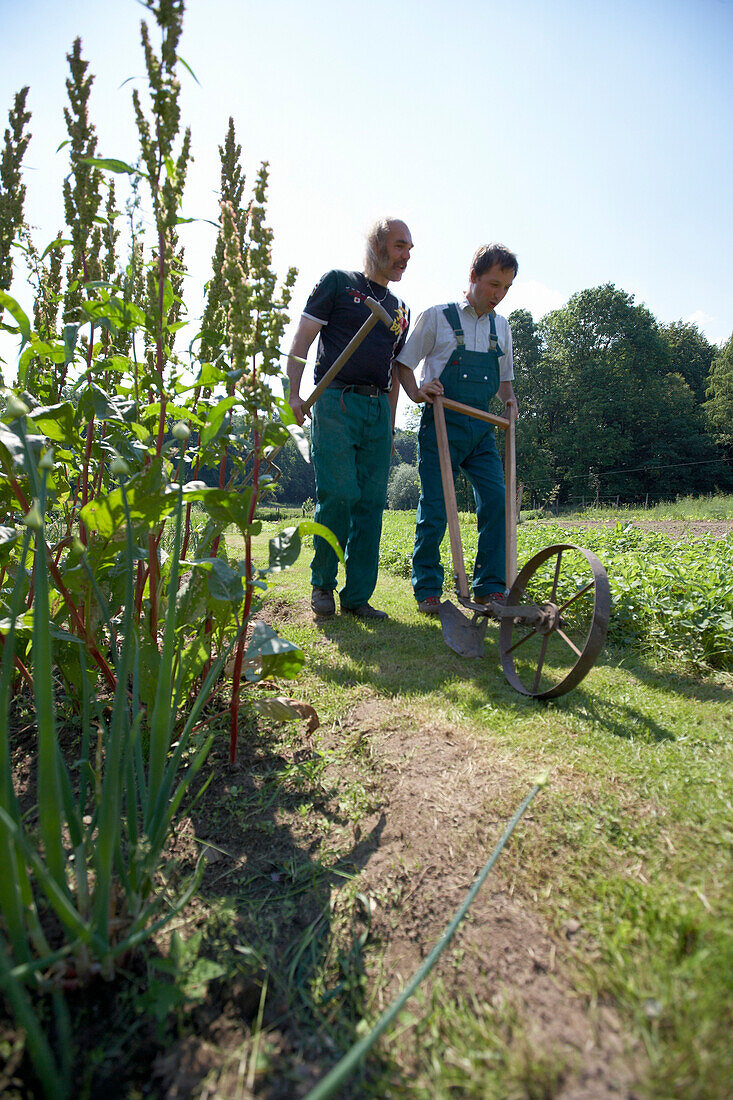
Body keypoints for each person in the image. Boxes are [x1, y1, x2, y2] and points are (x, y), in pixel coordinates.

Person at [286, 218, 412, 620]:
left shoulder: (399, 310)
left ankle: (357, 596)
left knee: (372, 503)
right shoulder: (338, 283)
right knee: (339, 494)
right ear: (377, 244)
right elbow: (303, 339)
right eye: (399, 246)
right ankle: (322, 584)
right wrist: (293, 392)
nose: (406, 256)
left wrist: (390, 424)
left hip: (377, 410)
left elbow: (394, 371)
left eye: (410, 249)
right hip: (334, 400)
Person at [394, 243, 518, 614]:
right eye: (493, 284)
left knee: (497, 500)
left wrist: (510, 404)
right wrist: (417, 392)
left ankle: (489, 587)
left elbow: (504, 382)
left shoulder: (502, 327)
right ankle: (428, 589)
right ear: (473, 276)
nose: (498, 295)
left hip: (482, 430)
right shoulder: (438, 317)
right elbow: (404, 362)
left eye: (506, 288)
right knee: (435, 507)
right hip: (442, 425)